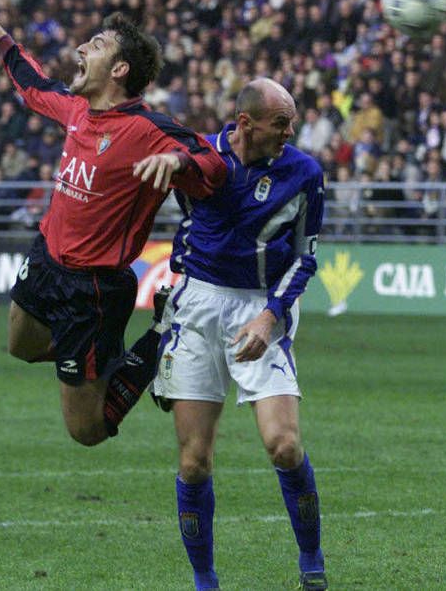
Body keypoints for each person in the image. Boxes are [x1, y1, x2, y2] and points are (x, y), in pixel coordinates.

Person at [0, 7, 226, 446]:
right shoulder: (78, 108)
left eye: (97, 45)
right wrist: (0, 36)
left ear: (119, 70)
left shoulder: (149, 129)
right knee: (20, 346)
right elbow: (33, 87)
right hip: (47, 258)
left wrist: (176, 160)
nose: (82, 48)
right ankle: (93, 362)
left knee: (87, 431)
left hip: (94, 291)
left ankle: (159, 337)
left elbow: (213, 166)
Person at [151, 79, 328, 590]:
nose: (290, 132)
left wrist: (271, 316)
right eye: (281, 123)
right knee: (195, 460)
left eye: (292, 122)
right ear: (246, 123)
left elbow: (306, 257)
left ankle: (311, 559)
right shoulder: (202, 158)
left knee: (284, 445)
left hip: (260, 306)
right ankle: (206, 580)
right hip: (198, 305)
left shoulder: (304, 173)